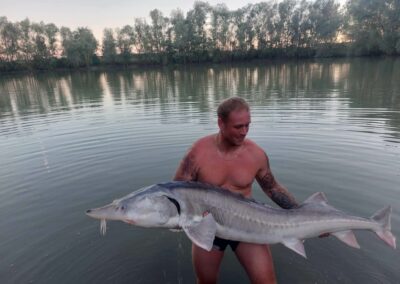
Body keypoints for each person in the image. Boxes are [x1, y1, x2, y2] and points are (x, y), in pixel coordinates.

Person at [173, 97, 299, 284]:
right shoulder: (198, 153)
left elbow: (272, 188)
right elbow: (177, 194)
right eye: (238, 127)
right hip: (208, 227)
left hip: (247, 225)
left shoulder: (255, 154)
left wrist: (301, 212)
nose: (244, 132)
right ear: (220, 123)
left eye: (248, 125)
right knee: (206, 281)